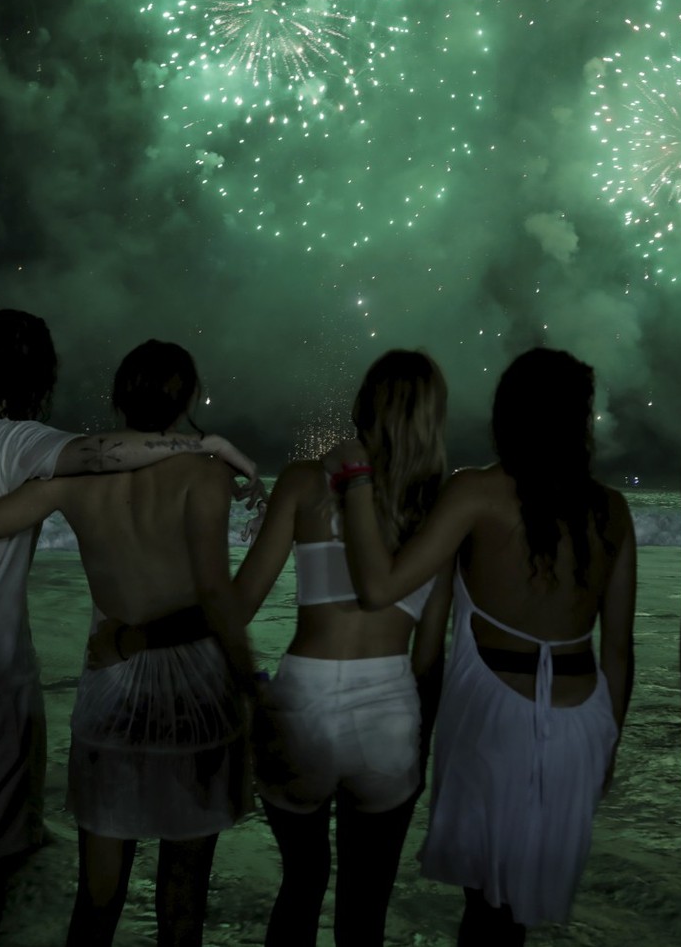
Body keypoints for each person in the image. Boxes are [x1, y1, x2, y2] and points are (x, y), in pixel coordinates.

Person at [0, 313, 258, 945]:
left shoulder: (62, 482)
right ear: (189, 397)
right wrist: (252, 681)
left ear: (116, 397)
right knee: (180, 897)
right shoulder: (192, 473)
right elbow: (215, 593)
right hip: (186, 687)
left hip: (91, 682)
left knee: (93, 899)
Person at [328, 347, 636, 945]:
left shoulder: (475, 492)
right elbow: (618, 650)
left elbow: (381, 588)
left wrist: (357, 483)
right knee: (514, 914)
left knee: (487, 908)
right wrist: (609, 745)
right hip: (583, 724)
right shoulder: (612, 510)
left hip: (498, 713)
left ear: (508, 413)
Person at [233, 350, 452, 947]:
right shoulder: (443, 508)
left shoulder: (306, 480)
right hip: (389, 708)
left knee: (301, 884)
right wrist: (420, 748)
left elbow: (238, 604)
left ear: (363, 406)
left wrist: (250, 684)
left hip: (304, 695)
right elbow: (429, 655)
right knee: (365, 910)